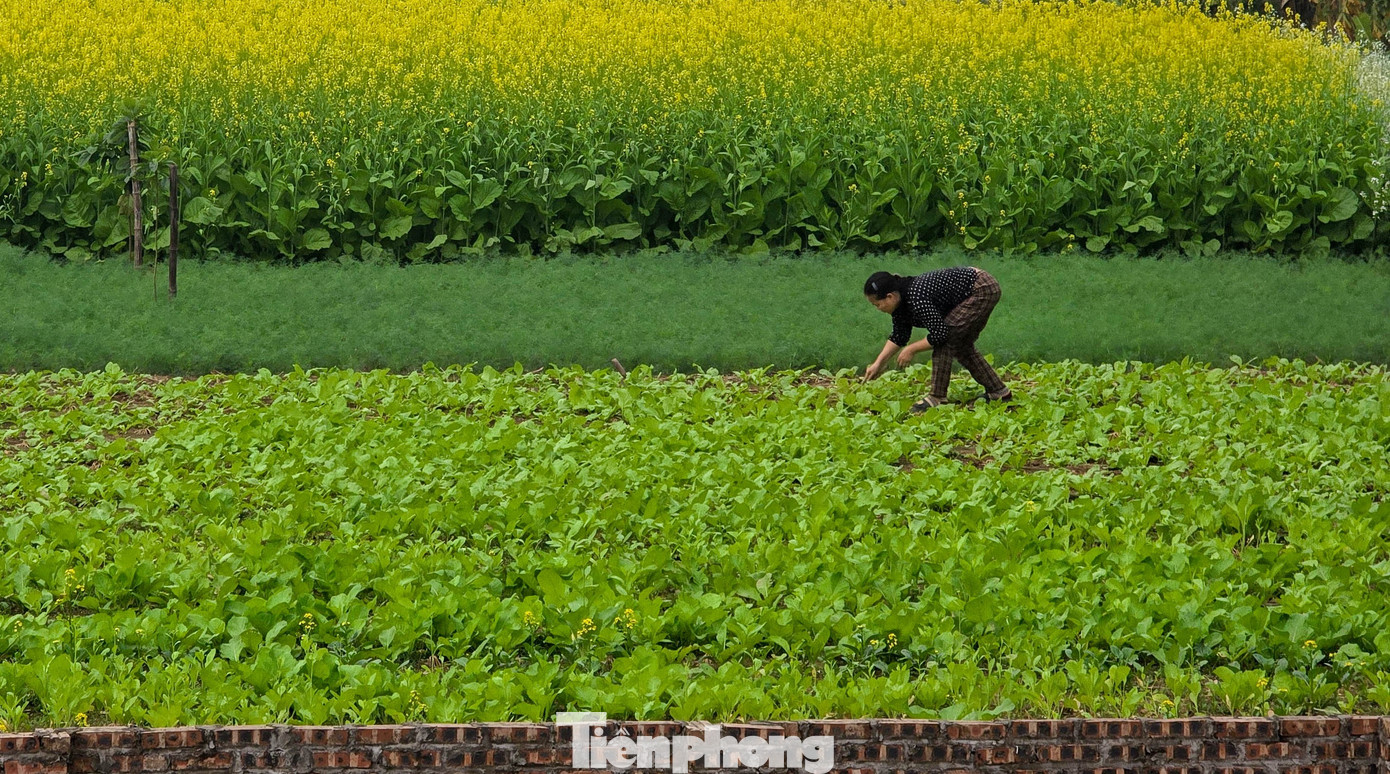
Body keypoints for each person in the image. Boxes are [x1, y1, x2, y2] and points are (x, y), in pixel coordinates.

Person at [862, 266, 1012, 413]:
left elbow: (940, 333)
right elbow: (899, 336)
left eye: (877, 304)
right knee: (962, 346)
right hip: (975, 287)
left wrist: (911, 349)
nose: (878, 309)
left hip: (981, 288)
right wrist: (878, 363)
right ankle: (999, 392)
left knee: (945, 342)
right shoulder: (900, 303)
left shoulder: (916, 297)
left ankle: (937, 397)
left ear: (890, 297)